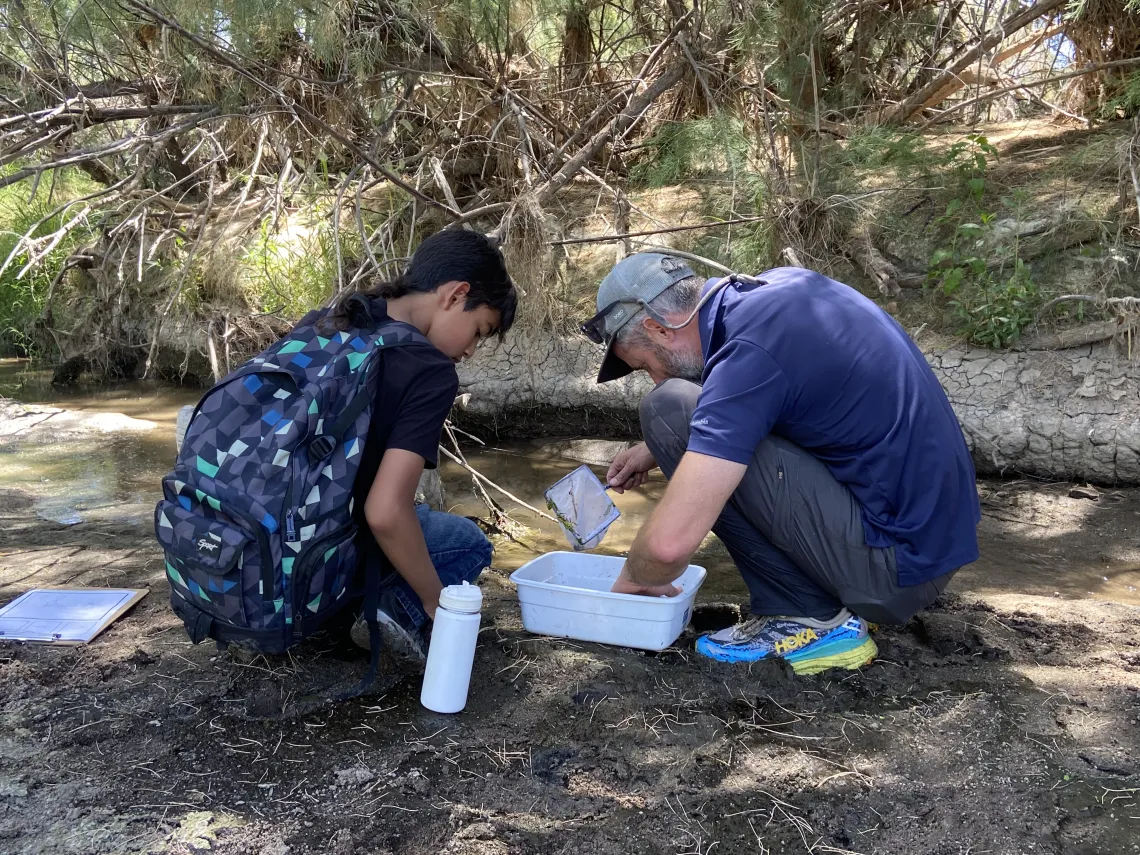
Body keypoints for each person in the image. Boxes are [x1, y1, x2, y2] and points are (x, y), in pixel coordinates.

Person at [582, 253, 979, 674]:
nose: (656, 378)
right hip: (927, 547)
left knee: (666, 407)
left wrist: (630, 584)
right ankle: (820, 603)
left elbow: (667, 548)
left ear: (658, 328)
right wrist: (653, 450)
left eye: (646, 366)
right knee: (675, 415)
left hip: (893, 573)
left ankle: (808, 618)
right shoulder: (775, 292)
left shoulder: (749, 353)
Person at [323, 229, 517, 666]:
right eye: (479, 331)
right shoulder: (428, 369)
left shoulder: (337, 318)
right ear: (455, 294)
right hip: (329, 541)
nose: (469, 350)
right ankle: (392, 611)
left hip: (258, 548)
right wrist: (436, 603)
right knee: (468, 543)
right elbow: (385, 512)